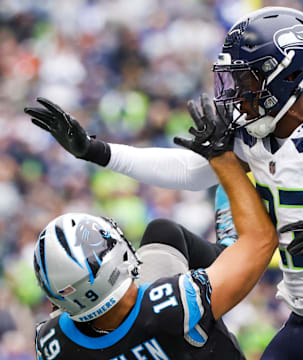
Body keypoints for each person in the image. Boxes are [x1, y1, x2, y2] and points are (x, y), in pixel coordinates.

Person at [25, 6, 303, 359]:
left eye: (247, 80)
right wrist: (97, 151)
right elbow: (189, 170)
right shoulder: (256, 133)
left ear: (289, 76)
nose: (237, 92)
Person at [33, 112, 278, 360]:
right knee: (166, 233)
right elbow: (261, 241)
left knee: (163, 233)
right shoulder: (174, 307)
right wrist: (226, 163)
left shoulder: (52, 345)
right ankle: (227, 248)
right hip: (175, 333)